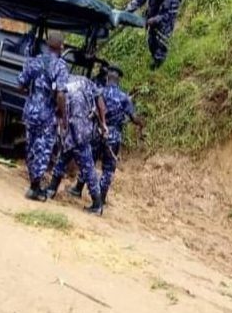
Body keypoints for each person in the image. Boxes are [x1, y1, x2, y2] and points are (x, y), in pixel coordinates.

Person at [67, 66, 144, 206]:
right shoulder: (124, 98)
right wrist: (141, 124)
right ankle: (101, 199)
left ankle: (78, 189)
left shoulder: (99, 92)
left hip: (98, 131)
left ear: (107, 78)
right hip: (113, 135)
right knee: (108, 169)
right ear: (118, 80)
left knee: (89, 162)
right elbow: (133, 117)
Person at [44, 74, 108, 215]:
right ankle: (51, 189)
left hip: (75, 129)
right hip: (84, 128)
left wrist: (64, 121)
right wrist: (103, 123)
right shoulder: (86, 81)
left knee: (87, 166)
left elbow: (59, 100)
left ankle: (97, 204)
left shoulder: (60, 82)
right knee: (63, 157)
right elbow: (101, 103)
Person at [17, 31, 69, 201]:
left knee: (31, 147)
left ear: (47, 44)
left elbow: (20, 83)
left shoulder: (35, 61)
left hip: (31, 111)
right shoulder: (60, 66)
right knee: (43, 149)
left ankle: (34, 183)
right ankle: (35, 188)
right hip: (47, 115)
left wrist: (32, 95)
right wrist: (62, 114)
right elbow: (61, 94)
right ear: (61, 47)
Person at [125, 0, 181, 70]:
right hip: (152, 16)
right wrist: (128, 10)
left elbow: (169, 15)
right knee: (151, 41)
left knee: (161, 43)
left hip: (165, 22)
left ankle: (159, 64)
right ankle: (154, 57)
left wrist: (155, 20)